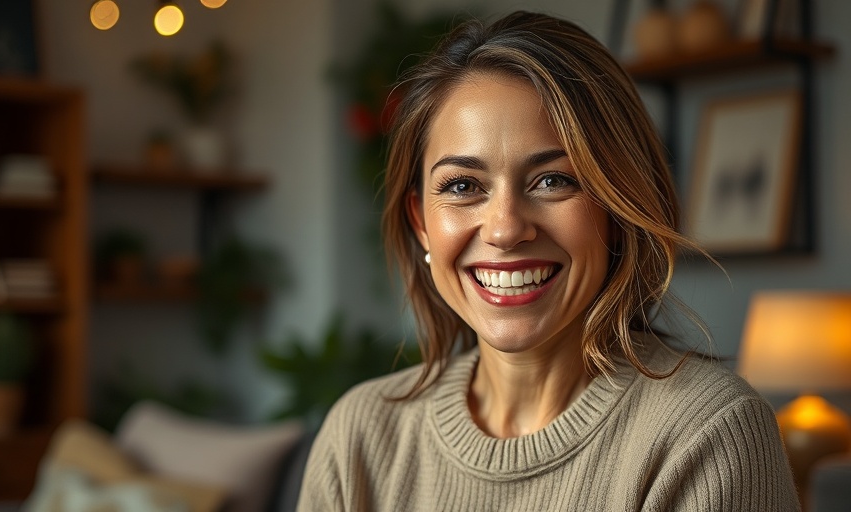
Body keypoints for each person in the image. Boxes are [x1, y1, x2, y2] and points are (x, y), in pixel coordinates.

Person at [297, 11, 798, 511]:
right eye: (463, 186)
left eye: (553, 180)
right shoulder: (358, 439)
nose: (505, 228)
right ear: (422, 220)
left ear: (618, 206)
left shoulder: (707, 434)